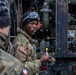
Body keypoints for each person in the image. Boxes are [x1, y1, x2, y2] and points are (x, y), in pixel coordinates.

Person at [0, 1, 28, 75]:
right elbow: (22, 63)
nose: (34, 27)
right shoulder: (14, 67)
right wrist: (39, 62)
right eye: (32, 23)